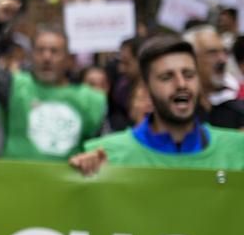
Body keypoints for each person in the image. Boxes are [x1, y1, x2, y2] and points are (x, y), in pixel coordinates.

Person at [69, 35, 244, 173]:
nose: (181, 84)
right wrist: (83, 175)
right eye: (166, 77)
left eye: (189, 75)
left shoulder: (237, 149)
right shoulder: (106, 155)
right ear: (146, 88)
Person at [0, 0, 106, 160]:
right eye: (40, 50)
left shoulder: (90, 99)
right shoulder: (15, 86)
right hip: (19, 176)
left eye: (54, 51)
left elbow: (100, 150)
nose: (46, 57)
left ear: (68, 59)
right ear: (31, 56)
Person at [184, 25, 244, 129]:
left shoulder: (238, 111)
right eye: (212, 52)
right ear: (190, 59)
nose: (223, 59)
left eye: (224, 52)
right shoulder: (176, 110)